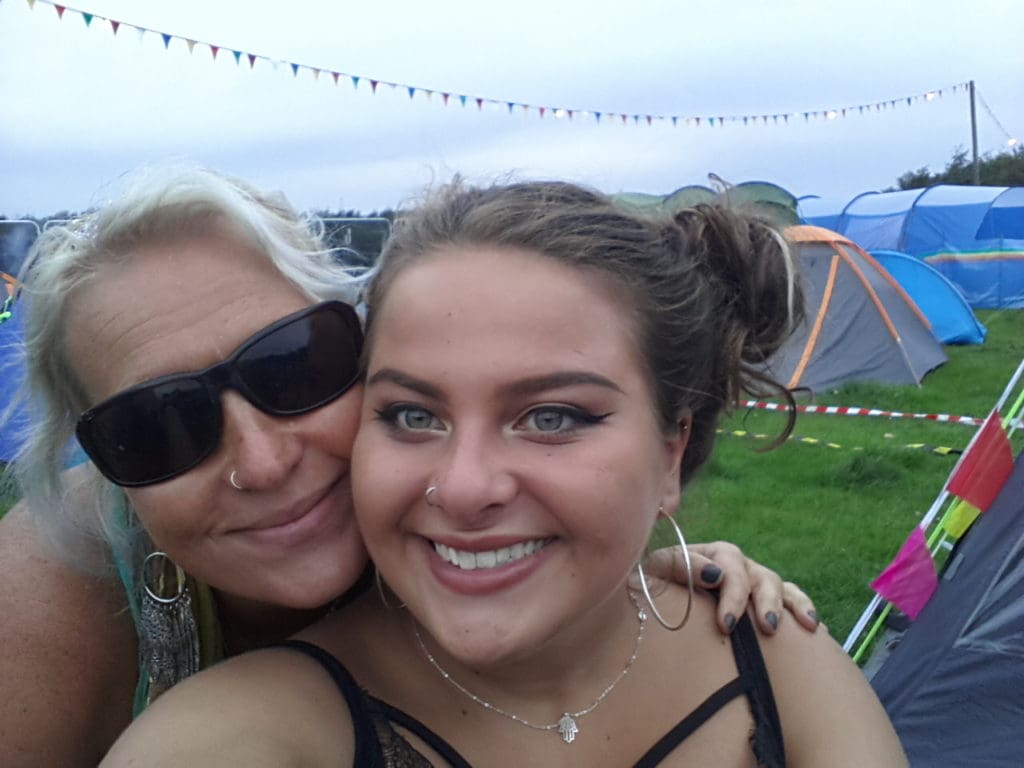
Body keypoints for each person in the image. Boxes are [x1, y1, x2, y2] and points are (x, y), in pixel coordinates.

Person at [0, 167, 818, 767]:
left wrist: (649, 579)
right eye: (160, 425)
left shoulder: (771, 665)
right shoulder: (42, 599)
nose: (263, 460)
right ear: (104, 462)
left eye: (291, 368)